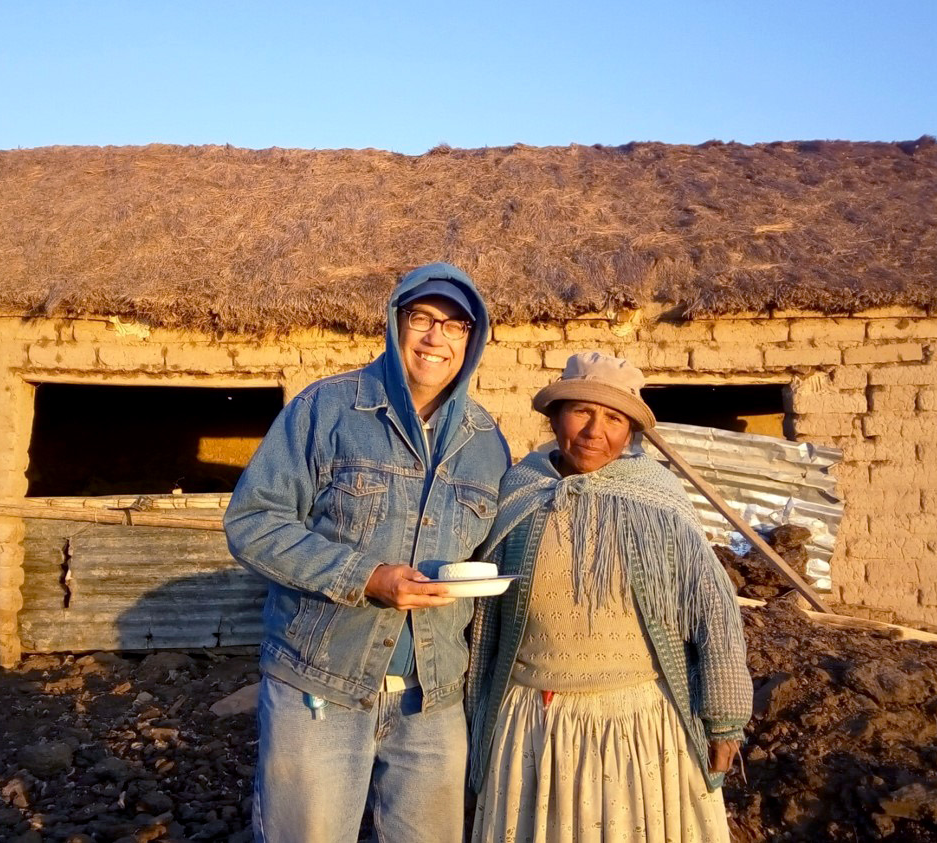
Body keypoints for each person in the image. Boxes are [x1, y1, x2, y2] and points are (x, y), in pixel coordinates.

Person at [224, 262, 510, 843]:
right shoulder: (326, 409)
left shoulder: (486, 442)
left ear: (472, 339)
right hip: (320, 686)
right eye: (422, 318)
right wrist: (365, 576)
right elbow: (253, 521)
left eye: (454, 325)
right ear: (395, 323)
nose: (436, 338)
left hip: (432, 700)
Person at [465, 351, 751, 843]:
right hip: (533, 727)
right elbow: (483, 621)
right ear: (555, 417)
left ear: (630, 431)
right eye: (581, 411)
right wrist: (472, 718)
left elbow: (713, 612)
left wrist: (725, 720)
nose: (595, 431)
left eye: (614, 418)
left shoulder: (658, 501)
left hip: (638, 729)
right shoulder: (519, 493)